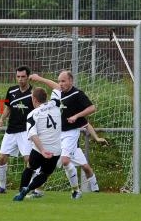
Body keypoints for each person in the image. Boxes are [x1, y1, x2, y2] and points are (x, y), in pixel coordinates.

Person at [29, 71, 98, 199]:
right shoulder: (59, 94)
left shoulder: (77, 94)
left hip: (71, 134)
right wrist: (39, 78)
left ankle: (77, 192)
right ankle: (37, 191)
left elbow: (92, 108)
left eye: (63, 81)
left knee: (65, 161)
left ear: (71, 81)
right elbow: (53, 85)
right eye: (59, 81)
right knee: (84, 167)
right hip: (58, 135)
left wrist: (76, 116)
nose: (60, 84)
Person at [13, 87, 62, 201]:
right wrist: (41, 79)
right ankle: (29, 188)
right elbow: (58, 88)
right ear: (46, 97)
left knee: (30, 168)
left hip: (40, 149)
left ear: (34, 99)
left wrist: (42, 150)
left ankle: (22, 191)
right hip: (55, 150)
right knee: (44, 174)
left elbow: (33, 134)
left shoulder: (33, 114)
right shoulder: (55, 105)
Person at [0, 65, 34, 194]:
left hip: (26, 131)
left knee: (29, 160)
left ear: (28, 77)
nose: (20, 79)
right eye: (18, 77)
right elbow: (8, 107)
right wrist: (1, 119)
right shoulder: (11, 91)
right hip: (11, 130)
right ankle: (2, 187)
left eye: (23, 77)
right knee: (1, 158)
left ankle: (31, 188)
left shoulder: (34, 93)